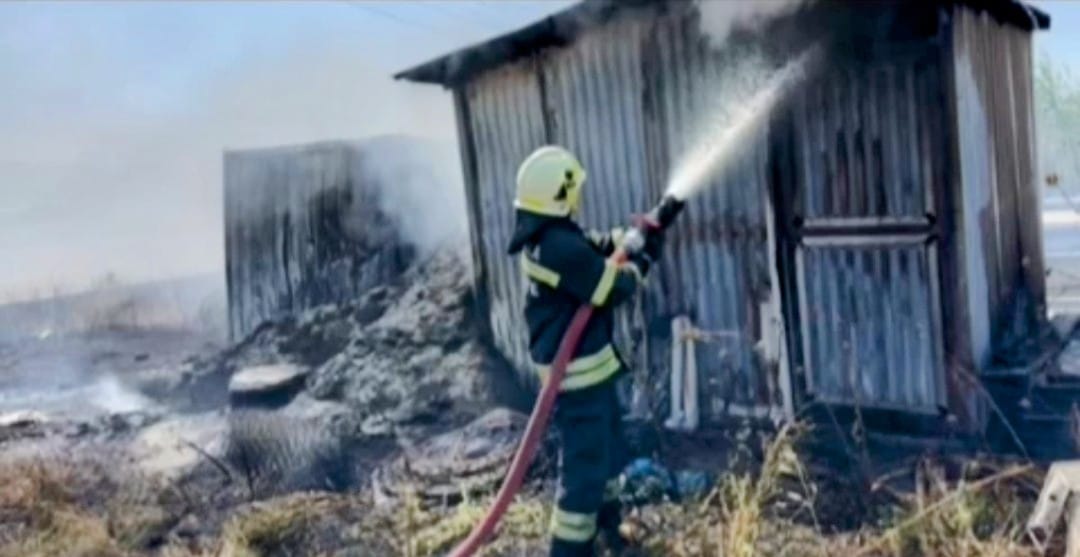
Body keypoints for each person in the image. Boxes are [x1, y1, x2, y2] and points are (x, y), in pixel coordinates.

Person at [506, 145, 664, 556]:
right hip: (577, 380)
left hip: (589, 375)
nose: (578, 197)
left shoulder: (552, 236)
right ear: (560, 195)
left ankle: (607, 528)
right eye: (573, 190)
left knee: (606, 455)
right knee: (583, 470)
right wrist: (641, 263)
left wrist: (628, 239)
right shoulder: (555, 248)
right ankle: (569, 548)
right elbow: (609, 286)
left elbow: (593, 246)